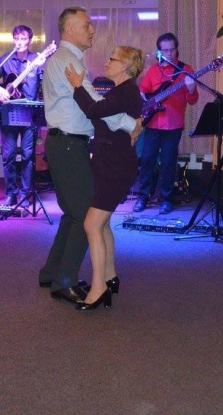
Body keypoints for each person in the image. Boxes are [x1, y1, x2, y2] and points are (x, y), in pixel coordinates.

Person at [38, 6, 140, 305]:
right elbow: (97, 106)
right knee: (86, 216)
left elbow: (96, 105)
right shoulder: (68, 61)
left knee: (73, 213)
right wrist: (132, 124)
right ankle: (64, 281)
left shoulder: (65, 59)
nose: (92, 30)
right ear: (69, 29)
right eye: (86, 25)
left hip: (64, 144)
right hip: (69, 146)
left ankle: (51, 272)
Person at [65, 45, 144, 310]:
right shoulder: (121, 91)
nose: (107, 62)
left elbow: (94, 110)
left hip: (116, 168)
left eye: (112, 59)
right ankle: (110, 278)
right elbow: (113, 119)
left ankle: (98, 288)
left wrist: (78, 86)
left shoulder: (126, 92)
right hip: (110, 164)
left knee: (91, 225)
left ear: (124, 66)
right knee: (103, 224)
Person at [132, 33, 198, 214]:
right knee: (147, 160)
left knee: (169, 163)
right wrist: (147, 101)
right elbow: (143, 90)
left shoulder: (186, 70)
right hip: (153, 123)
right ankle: (143, 197)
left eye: (172, 49)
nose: (169, 53)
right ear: (159, 52)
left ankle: (166, 199)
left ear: (177, 49)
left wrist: (191, 88)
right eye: (165, 50)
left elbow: (192, 100)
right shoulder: (154, 70)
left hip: (173, 125)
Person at [0, 25, 43, 207]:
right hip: (9, 114)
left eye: (23, 39)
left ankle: (25, 194)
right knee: (8, 156)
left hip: (29, 115)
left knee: (27, 155)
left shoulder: (36, 60)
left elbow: (47, 84)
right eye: (17, 39)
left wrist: (42, 68)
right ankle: (11, 193)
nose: (20, 42)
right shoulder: (5, 60)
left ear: (30, 41)